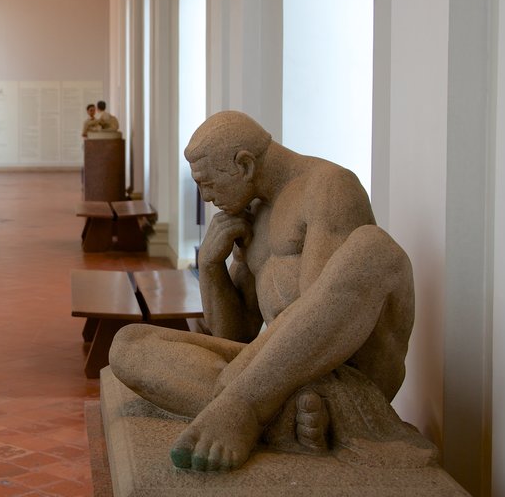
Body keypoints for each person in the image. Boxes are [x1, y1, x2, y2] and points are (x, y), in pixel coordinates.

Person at [109, 110, 417, 472]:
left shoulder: (329, 188)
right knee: (128, 345)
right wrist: (210, 267)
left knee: (372, 248)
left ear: (245, 164)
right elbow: (235, 334)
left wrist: (244, 390)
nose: (205, 197)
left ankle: (245, 409)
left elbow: (319, 326)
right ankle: (288, 416)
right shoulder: (251, 211)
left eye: (209, 184)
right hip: (274, 371)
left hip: (347, 372)